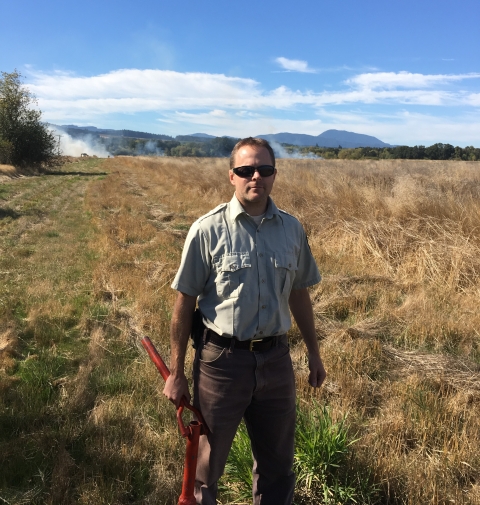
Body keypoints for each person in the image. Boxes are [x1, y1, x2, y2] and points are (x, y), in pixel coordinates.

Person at [163, 137, 326, 505]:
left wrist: (314, 354)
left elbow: (299, 293)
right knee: (205, 470)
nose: (256, 176)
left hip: (276, 362)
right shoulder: (207, 230)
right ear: (231, 177)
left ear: (274, 175)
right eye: (246, 170)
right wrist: (176, 372)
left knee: (278, 466)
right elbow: (184, 301)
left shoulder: (292, 230)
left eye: (265, 169)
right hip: (222, 363)